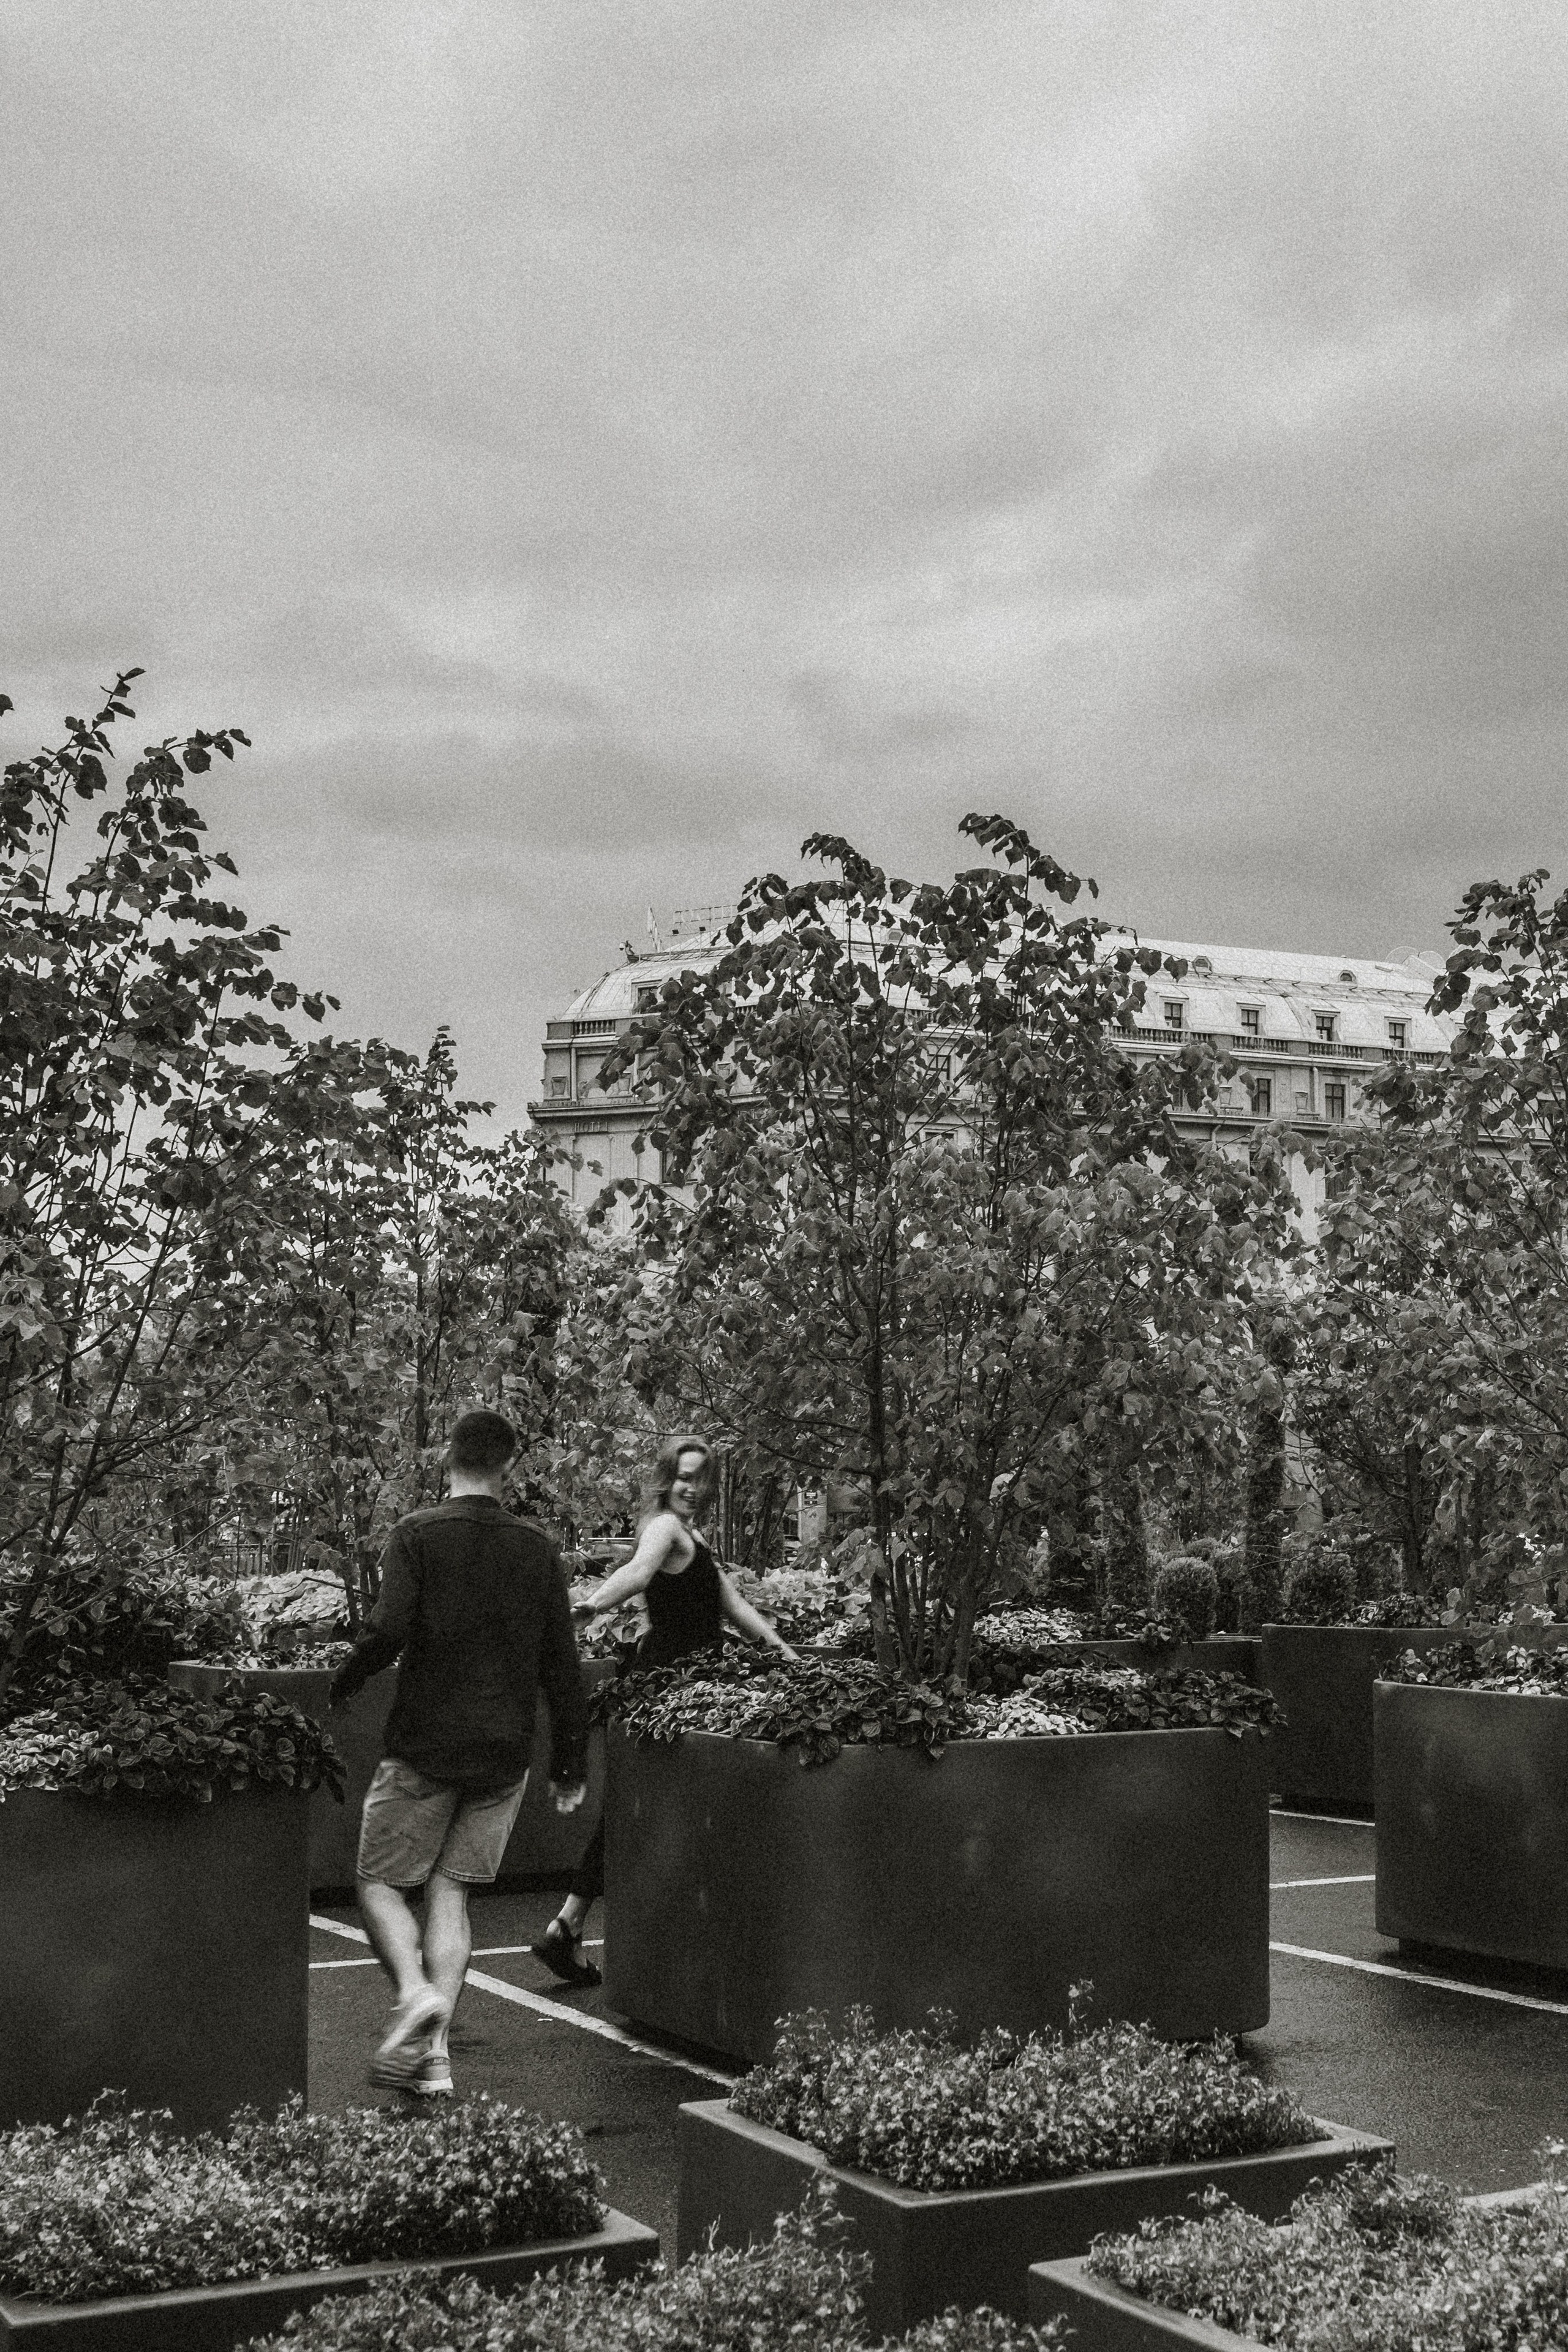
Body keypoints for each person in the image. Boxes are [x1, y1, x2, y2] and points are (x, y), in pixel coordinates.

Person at [329, 1408, 589, 2093]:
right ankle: (434, 2060)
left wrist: (348, 1677)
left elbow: (387, 1630)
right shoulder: (537, 1551)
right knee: (452, 1893)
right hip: (505, 1751)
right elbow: (562, 1665)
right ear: (509, 1465)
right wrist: (570, 1764)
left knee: (379, 1882)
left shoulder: (416, 1535)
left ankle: (415, 1992)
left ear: (449, 1456)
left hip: (426, 1744)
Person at [531, 1433, 795, 1986]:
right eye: (683, 1476)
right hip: (672, 1685)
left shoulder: (693, 1538)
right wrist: (593, 1605)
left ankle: (571, 1925)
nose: (692, 1487)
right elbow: (637, 1572)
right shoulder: (665, 1530)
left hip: (691, 1683)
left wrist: (788, 1656)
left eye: (701, 1478)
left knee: (647, 1803)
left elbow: (735, 1607)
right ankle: (586, 1925)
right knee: (655, 1803)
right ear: (665, 1478)